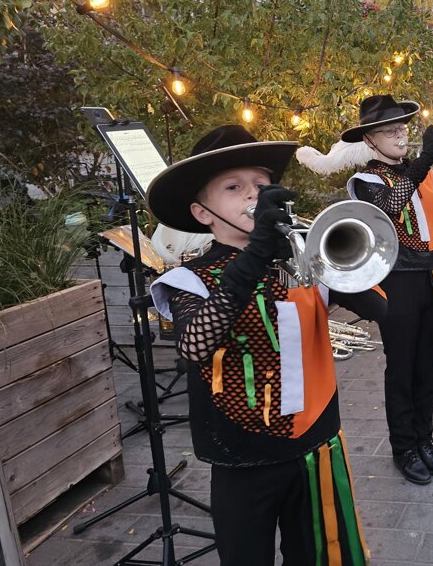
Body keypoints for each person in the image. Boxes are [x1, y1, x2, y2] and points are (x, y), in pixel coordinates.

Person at [148, 125, 382, 566]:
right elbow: (194, 346)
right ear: (202, 214)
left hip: (316, 448)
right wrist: (255, 254)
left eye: (260, 184)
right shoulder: (190, 279)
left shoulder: (303, 259)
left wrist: (333, 253)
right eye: (233, 188)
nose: (251, 196)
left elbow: (381, 309)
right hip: (241, 460)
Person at [344, 95, 433, 485]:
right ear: (370, 141)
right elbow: (388, 208)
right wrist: (425, 160)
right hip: (397, 282)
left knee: (427, 366)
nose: (401, 135)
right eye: (390, 131)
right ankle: (404, 447)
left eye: (402, 128)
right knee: (401, 369)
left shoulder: (423, 173)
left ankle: (425, 439)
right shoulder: (364, 181)